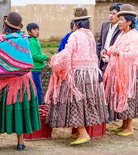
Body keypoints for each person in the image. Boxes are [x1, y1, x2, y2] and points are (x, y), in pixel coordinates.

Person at [45, 8, 108, 145]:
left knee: (75, 102)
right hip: (91, 75)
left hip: (79, 74)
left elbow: (67, 54)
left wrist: (55, 60)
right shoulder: (90, 35)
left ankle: (83, 133)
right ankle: (79, 132)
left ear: (75, 23)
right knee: (86, 103)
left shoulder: (74, 35)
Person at [0, 12, 41, 152]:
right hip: (22, 83)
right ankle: (20, 143)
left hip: (1, 84)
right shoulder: (24, 40)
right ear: (18, 28)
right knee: (19, 111)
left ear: (5, 26)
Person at [102, 4, 138, 136]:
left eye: (121, 20)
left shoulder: (134, 36)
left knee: (127, 99)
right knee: (120, 97)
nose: (119, 23)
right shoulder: (122, 34)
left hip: (128, 75)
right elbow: (115, 46)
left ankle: (129, 127)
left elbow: (134, 55)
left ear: (129, 22)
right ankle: (123, 124)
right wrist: (108, 50)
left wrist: (120, 54)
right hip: (118, 73)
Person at [96, 3, 122, 80]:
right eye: (110, 13)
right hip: (102, 60)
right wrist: (97, 57)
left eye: (114, 14)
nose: (110, 16)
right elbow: (99, 43)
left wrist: (110, 57)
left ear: (119, 15)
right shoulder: (105, 25)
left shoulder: (121, 28)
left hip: (113, 60)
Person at [26, 23, 48, 105]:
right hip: (34, 70)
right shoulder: (32, 41)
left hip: (36, 69)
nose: (37, 31)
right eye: (35, 30)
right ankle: (38, 107)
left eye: (38, 29)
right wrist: (46, 58)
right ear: (29, 32)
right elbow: (34, 56)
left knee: (37, 89)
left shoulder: (35, 40)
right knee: (38, 90)